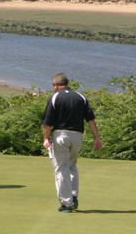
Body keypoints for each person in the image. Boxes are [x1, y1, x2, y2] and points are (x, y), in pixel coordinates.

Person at [41, 73, 102, 212]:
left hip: (60, 135)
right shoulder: (81, 97)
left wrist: (46, 138)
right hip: (78, 136)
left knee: (61, 168)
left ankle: (66, 203)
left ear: (55, 85)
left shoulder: (55, 97)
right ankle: (74, 197)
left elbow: (47, 123)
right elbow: (90, 119)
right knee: (72, 166)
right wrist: (96, 138)